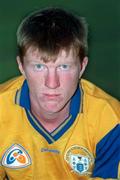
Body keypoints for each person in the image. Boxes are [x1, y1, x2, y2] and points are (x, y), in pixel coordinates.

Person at [0, 7, 119, 180]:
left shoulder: (111, 122)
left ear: (82, 67)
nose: (52, 83)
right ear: (21, 67)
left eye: (64, 67)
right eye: (39, 66)